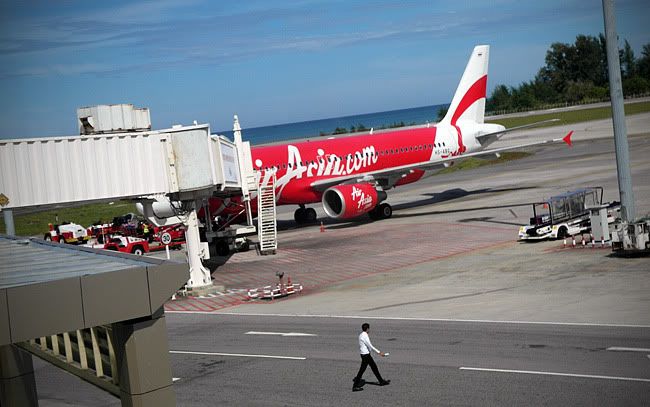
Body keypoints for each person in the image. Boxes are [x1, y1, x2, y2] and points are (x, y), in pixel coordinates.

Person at [353, 323, 390, 391]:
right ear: (367, 329)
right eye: (369, 328)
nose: (369, 330)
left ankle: (381, 381)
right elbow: (370, 346)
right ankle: (355, 386)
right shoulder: (365, 336)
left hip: (365, 355)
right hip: (366, 356)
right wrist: (379, 352)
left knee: (374, 367)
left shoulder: (361, 335)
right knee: (362, 370)